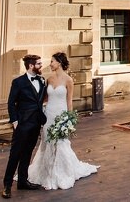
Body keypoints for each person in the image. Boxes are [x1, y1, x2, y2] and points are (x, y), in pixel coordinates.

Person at [27, 51, 98, 190]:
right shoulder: (48, 79)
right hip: (49, 114)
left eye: (52, 61)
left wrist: (69, 119)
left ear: (59, 63)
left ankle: (61, 172)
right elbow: (45, 99)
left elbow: (69, 101)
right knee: (46, 142)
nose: (50, 64)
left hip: (61, 114)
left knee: (60, 143)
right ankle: (46, 172)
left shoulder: (68, 80)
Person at [2, 54, 47, 198]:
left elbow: (41, 99)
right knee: (15, 155)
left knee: (28, 153)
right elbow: (11, 103)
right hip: (22, 124)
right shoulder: (18, 82)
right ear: (31, 66)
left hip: (36, 124)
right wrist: (15, 121)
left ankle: (22, 181)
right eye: (39, 64)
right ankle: (7, 185)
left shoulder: (41, 80)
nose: (41, 66)